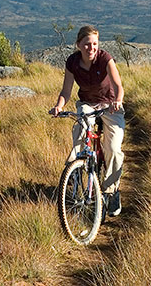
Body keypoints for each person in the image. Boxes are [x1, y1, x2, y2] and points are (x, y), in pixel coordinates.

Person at [50, 25, 125, 216]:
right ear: (78, 45)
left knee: (113, 149)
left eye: (94, 44)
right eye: (86, 44)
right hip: (87, 104)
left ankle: (111, 190)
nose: (91, 48)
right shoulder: (73, 62)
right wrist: (59, 106)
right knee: (80, 131)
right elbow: (66, 91)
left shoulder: (105, 58)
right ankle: (74, 170)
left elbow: (118, 85)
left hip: (110, 105)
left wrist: (117, 100)